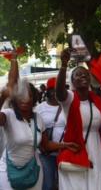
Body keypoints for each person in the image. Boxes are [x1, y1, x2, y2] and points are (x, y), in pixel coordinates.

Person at [0, 50, 79, 190]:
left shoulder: (38, 119)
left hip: (34, 171)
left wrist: (64, 145)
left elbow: (46, 144)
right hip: (8, 172)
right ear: (16, 99)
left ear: (34, 98)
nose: (25, 99)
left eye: (29, 95)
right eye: (21, 95)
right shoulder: (9, 115)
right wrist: (2, 97)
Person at [55, 48, 101, 190]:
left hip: (95, 149)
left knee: (95, 183)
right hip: (76, 149)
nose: (83, 76)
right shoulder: (70, 99)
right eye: (78, 75)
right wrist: (63, 66)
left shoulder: (96, 100)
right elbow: (59, 93)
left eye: (86, 74)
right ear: (72, 81)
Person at [34, 77, 66, 190]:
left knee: (64, 184)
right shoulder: (40, 108)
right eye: (60, 89)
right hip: (45, 153)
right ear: (51, 91)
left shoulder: (67, 106)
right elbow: (34, 129)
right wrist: (42, 148)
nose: (64, 92)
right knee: (47, 185)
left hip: (64, 151)